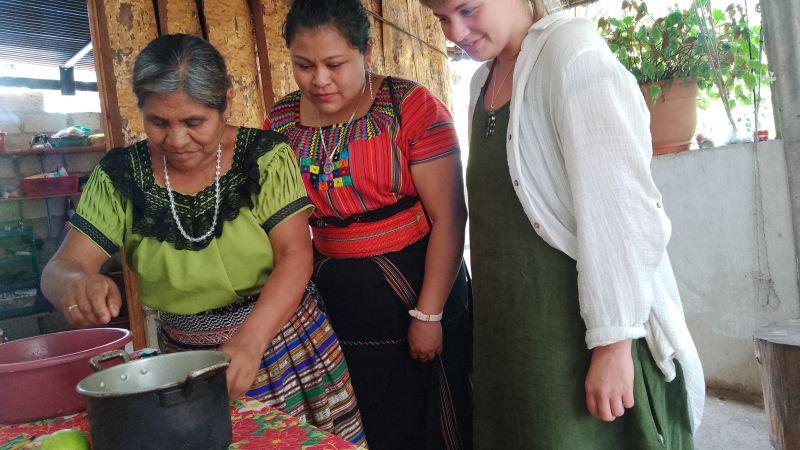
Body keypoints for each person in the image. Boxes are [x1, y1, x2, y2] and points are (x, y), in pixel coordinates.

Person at [40, 33, 365, 446]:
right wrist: (76, 285)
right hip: (186, 367)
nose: (176, 140)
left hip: (283, 346)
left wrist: (250, 341)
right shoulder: (121, 175)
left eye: (194, 122)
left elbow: (295, 255)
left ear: (226, 102)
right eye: (159, 122)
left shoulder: (263, 157)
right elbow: (59, 269)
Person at [420, 0, 705, 449]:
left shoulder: (572, 55)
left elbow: (622, 209)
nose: (454, 31)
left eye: (468, 9)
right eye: (440, 18)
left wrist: (612, 347)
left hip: (572, 335)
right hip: (512, 336)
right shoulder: (482, 81)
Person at [263, 1, 472, 448]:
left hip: (417, 284)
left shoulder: (409, 107)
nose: (319, 80)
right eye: (304, 65)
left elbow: (451, 217)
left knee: (432, 417)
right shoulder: (281, 122)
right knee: (366, 419)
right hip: (338, 297)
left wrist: (429, 314)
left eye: (334, 64)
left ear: (366, 51)